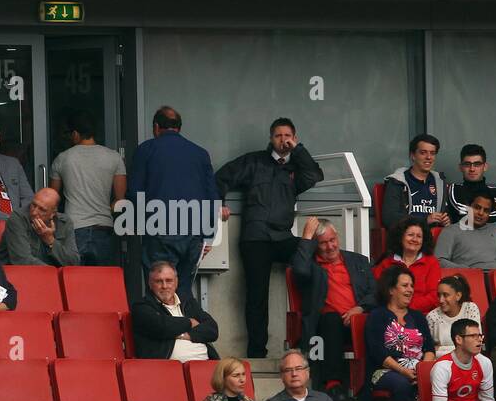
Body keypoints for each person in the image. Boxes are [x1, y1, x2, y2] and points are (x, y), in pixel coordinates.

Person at [216, 118, 324, 358]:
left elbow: (315, 175)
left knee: (318, 259)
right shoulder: (254, 161)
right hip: (255, 238)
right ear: (270, 138)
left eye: (288, 136)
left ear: (294, 138)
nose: (283, 140)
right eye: (278, 135)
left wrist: (299, 150)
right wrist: (219, 204)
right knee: (257, 295)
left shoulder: (297, 166)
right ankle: (257, 353)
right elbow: (222, 177)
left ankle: (308, 336)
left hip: (283, 237)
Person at [126, 106, 218, 296]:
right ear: (179, 128)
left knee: (159, 291)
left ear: (156, 127)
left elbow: (135, 193)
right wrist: (208, 236)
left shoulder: (146, 150)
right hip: (194, 234)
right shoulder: (200, 153)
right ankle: (183, 324)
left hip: (159, 230)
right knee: (182, 292)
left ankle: (166, 325)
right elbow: (212, 197)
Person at [290, 216, 375, 400]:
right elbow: (299, 271)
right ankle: (333, 384)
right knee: (331, 319)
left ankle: (371, 387)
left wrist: (359, 308)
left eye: (332, 240)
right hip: (326, 325)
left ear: (338, 237)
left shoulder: (358, 261)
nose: (330, 246)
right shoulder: (311, 266)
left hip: (359, 320)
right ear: (314, 245)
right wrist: (306, 237)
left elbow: (375, 292)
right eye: (323, 243)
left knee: (380, 321)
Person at [365, 264, 435, 401]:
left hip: (417, 368)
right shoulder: (378, 315)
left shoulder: (418, 317)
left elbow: (429, 349)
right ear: (390, 290)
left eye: (411, 285)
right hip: (386, 370)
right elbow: (378, 352)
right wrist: (404, 371)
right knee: (402, 383)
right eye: (405, 285)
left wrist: (423, 370)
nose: (410, 290)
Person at [48, 112, 126, 266]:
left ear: (75, 134)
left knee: (75, 283)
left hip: (74, 228)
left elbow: (51, 198)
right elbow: (120, 200)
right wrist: (103, 211)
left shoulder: (63, 158)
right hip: (104, 228)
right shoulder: (114, 157)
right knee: (103, 283)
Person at [131, 260, 218, 361]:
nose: (164, 286)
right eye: (158, 281)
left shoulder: (187, 302)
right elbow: (161, 326)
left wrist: (185, 335)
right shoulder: (141, 307)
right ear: (150, 284)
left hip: (205, 363)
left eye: (169, 280)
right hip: (167, 370)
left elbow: (212, 329)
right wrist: (190, 322)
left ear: (176, 282)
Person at [0, 187, 80, 267]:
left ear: (53, 213)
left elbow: (74, 262)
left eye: (42, 209)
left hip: (51, 276)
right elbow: (22, 260)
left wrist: (50, 240)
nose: (34, 212)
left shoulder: (64, 223)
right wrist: (53, 273)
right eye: (33, 205)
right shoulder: (17, 219)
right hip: (16, 275)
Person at [381, 134, 447, 231]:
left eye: (432, 153)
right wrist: (424, 220)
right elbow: (390, 218)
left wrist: (446, 220)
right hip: (406, 238)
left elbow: (447, 214)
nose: (428, 157)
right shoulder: (397, 181)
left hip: (433, 239)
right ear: (413, 156)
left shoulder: (440, 182)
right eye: (423, 152)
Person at [377, 216, 441, 314]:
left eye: (419, 236)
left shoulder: (431, 262)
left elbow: (434, 295)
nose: (415, 239)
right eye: (410, 235)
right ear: (400, 237)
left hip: (423, 316)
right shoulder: (386, 263)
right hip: (391, 314)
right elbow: (379, 292)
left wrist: (407, 308)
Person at [434, 192, 496, 270]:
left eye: (486, 210)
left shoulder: (495, 230)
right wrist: (466, 270)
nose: (481, 213)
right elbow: (439, 261)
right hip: (468, 277)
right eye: (477, 208)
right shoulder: (450, 231)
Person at [444, 143, 496, 225]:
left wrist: (478, 216)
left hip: (494, 235)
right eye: (467, 164)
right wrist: (494, 213)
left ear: (485, 167)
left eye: (477, 164)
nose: (472, 169)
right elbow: (462, 214)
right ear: (461, 167)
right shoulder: (455, 189)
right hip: (467, 234)